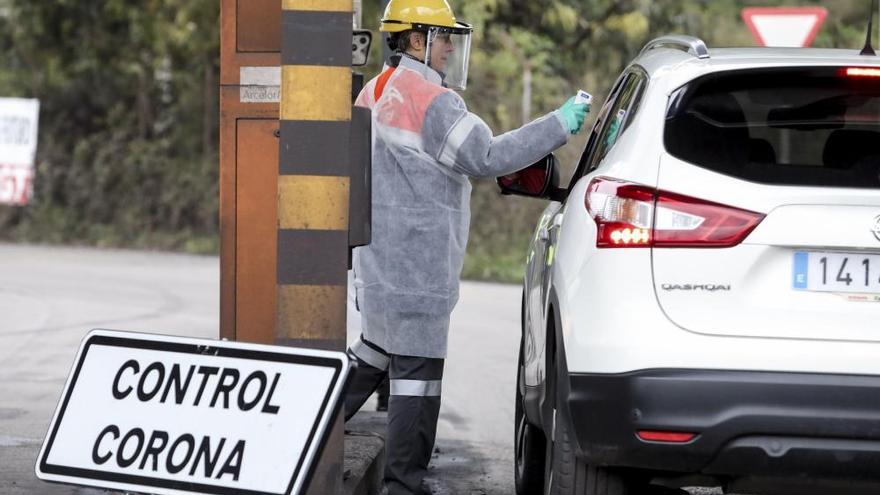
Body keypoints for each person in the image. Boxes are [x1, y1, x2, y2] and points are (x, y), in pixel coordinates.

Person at [344, 0, 589, 493]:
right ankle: (403, 484)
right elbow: (487, 155)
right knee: (418, 377)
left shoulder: (375, 90)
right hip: (417, 264)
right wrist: (558, 125)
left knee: (372, 352)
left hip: (378, 260)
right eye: (444, 37)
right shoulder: (433, 101)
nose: (451, 46)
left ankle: (302, 428)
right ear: (417, 40)